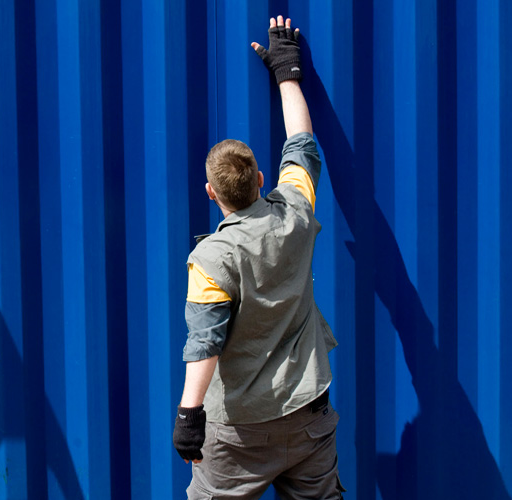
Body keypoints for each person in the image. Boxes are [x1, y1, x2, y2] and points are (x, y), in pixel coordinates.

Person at [172, 15, 345, 500]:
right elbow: (303, 145)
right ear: (262, 178)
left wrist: (189, 415)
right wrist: (287, 72)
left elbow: (204, 340)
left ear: (211, 192)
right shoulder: (295, 210)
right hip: (309, 416)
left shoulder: (211, 258)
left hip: (238, 434)